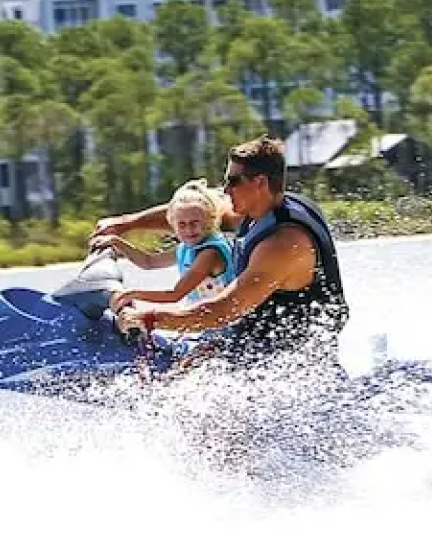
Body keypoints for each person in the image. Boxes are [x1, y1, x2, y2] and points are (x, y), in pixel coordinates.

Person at [89, 136, 350, 372]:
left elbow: (224, 309)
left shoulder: (283, 245)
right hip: (248, 339)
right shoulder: (259, 207)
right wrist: (126, 224)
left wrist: (149, 318)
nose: (225, 190)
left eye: (233, 181)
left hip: (289, 363)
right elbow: (195, 212)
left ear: (260, 183)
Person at [90, 179, 235, 307]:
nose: (189, 230)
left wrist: (133, 294)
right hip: (204, 320)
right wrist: (116, 242)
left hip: (225, 325)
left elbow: (175, 295)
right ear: (173, 226)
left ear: (211, 220)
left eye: (195, 223)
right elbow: (149, 262)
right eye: (182, 224)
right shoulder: (186, 248)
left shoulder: (209, 253)